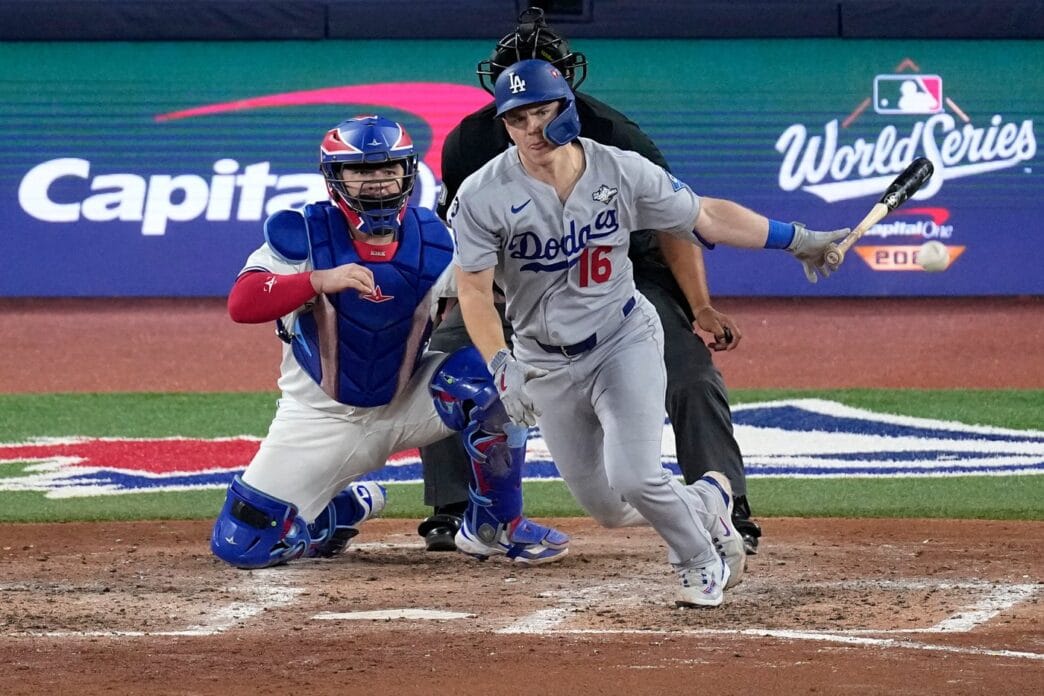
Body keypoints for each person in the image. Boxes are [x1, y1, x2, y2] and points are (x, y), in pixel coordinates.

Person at [450, 59, 849, 607]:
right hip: (544, 361)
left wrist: (797, 238)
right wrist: (501, 362)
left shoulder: (620, 170)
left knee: (636, 476)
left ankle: (700, 563)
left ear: (567, 107)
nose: (531, 130)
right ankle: (709, 500)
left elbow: (704, 217)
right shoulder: (481, 194)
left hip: (622, 341)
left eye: (542, 112)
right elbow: (473, 291)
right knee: (609, 509)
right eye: (517, 119)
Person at [416, 6, 762, 556]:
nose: (531, 113)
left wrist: (699, 307)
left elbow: (679, 221)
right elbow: (468, 247)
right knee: (449, 356)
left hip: (620, 274)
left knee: (691, 370)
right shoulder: (468, 143)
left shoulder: (612, 134)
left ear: (565, 85)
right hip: (517, 284)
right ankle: (457, 505)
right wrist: (458, 302)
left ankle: (725, 499)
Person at [209, 114, 569, 569]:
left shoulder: (437, 240)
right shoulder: (302, 233)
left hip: (407, 403)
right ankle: (341, 509)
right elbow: (243, 303)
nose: (378, 182)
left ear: (407, 172)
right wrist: (318, 280)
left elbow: (494, 295)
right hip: (318, 418)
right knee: (241, 546)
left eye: (388, 169)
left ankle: (495, 525)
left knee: (491, 381)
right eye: (362, 170)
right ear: (335, 178)